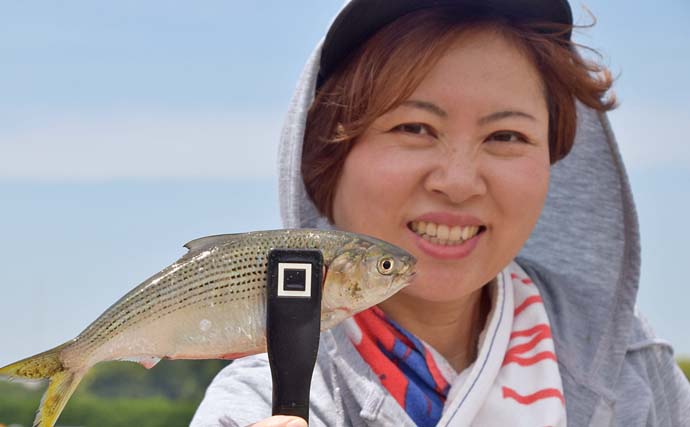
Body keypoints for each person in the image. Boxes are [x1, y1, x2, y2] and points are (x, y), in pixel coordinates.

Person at [191, 1, 690, 426]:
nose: (457, 182)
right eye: (414, 127)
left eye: (506, 136)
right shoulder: (258, 402)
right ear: (325, 156)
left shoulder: (624, 358)